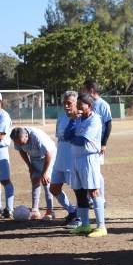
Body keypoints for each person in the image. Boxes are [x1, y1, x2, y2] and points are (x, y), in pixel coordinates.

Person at [65, 93, 107, 237]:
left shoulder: (95, 119)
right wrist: (72, 121)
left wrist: (72, 137)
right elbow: (66, 136)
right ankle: (85, 225)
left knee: (93, 191)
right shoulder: (77, 119)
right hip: (75, 158)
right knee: (79, 192)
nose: (77, 107)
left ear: (89, 106)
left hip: (89, 159)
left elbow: (82, 141)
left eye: (80, 104)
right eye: (77, 104)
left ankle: (101, 226)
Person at [12, 126, 65, 221]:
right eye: (17, 143)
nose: (20, 144)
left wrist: (44, 173)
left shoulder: (37, 137)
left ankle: (50, 211)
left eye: (22, 143)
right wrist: (30, 166)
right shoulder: (17, 138)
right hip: (34, 157)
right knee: (35, 178)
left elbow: (48, 154)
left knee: (46, 182)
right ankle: (35, 210)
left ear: (26, 136)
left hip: (49, 155)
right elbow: (21, 151)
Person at [50, 91, 79, 224]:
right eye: (64, 103)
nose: (66, 106)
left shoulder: (80, 118)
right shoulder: (61, 118)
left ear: (76, 103)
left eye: (69, 103)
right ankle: (72, 211)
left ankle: (80, 217)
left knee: (78, 190)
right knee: (54, 188)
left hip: (72, 160)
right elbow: (59, 138)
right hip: (60, 159)